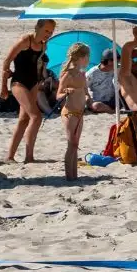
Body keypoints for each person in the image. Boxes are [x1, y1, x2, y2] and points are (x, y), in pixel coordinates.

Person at [1, 19, 57, 163]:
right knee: (36, 117)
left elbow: (38, 65)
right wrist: (3, 87)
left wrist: (41, 81)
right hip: (18, 83)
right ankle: (29, 157)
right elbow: (7, 61)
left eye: (51, 32)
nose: (48, 34)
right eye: (46, 31)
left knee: (23, 120)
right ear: (37, 28)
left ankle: (10, 156)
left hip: (33, 84)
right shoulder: (26, 40)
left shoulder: (44, 45)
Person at [57, 44, 91, 180]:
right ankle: (69, 176)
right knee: (71, 144)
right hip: (69, 112)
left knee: (76, 145)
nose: (89, 59)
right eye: (88, 57)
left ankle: (74, 176)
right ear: (81, 58)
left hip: (80, 113)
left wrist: (88, 98)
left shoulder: (82, 75)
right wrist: (66, 92)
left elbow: (87, 93)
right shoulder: (67, 74)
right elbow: (57, 95)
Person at [85, 49, 119, 114]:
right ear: (109, 61)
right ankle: (112, 111)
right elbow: (83, 89)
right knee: (96, 106)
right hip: (98, 101)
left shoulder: (118, 69)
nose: (118, 62)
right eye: (116, 60)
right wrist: (89, 101)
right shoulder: (92, 73)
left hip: (114, 100)